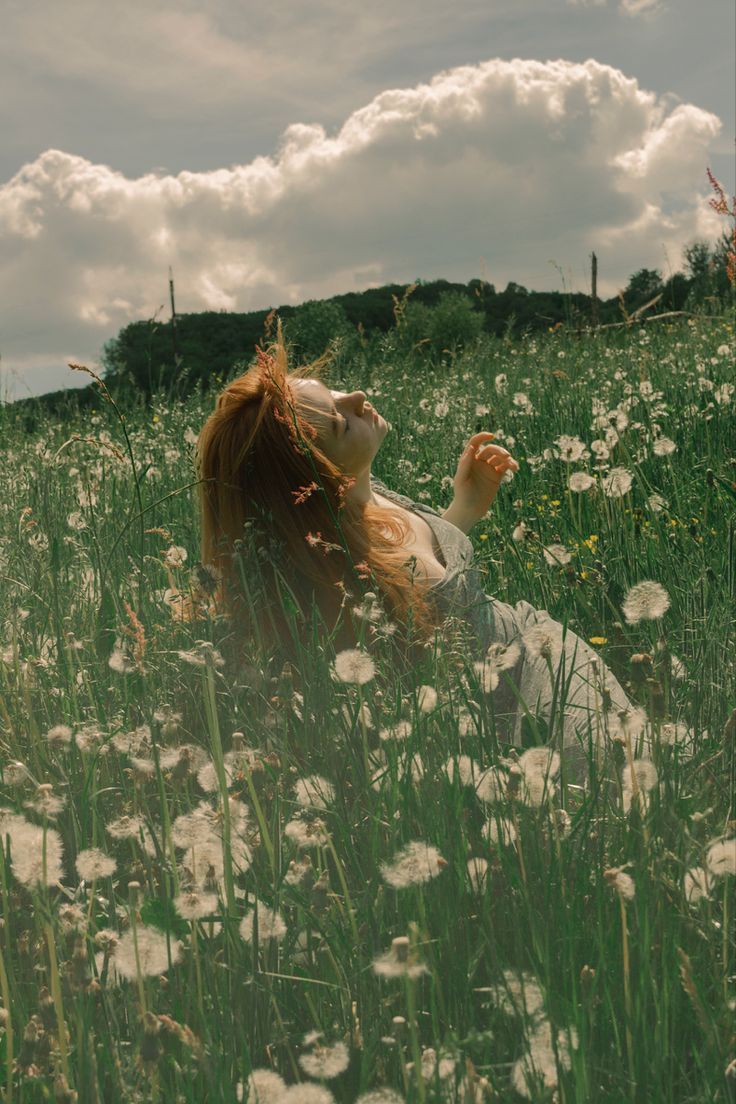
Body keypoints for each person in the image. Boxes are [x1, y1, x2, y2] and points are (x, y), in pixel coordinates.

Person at [196, 320, 640, 787]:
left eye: (338, 391)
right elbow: (416, 690)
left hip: (543, 653)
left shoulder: (371, 499)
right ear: (317, 476)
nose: (358, 397)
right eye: (338, 420)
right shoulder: (342, 579)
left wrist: (463, 506)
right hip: (519, 719)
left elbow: (427, 584)